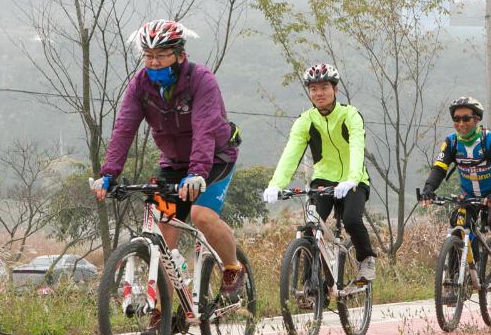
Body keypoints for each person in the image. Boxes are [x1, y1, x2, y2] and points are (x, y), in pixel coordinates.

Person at [93, 20, 245, 300]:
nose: (153, 62)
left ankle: (233, 267)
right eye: (148, 56)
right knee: (163, 236)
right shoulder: (140, 85)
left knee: (201, 215)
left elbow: (204, 128)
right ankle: (162, 313)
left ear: (180, 55)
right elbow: (124, 129)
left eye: (161, 56)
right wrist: (108, 174)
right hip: (174, 163)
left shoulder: (202, 80)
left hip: (214, 158)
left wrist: (198, 172)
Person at [262, 63, 376, 282]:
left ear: (335, 90)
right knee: (311, 228)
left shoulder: (350, 115)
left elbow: (356, 147)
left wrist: (352, 179)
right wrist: (276, 183)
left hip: (354, 180)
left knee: (352, 220)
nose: (318, 93)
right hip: (323, 179)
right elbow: (291, 153)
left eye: (324, 87)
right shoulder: (305, 120)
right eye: (313, 89)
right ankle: (310, 286)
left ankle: (366, 259)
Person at [419, 96, 491, 270]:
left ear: (477, 119)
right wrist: (429, 188)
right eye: (456, 119)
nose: (460, 123)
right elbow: (440, 168)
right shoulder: (451, 142)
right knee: (458, 224)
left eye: (466, 118)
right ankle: (456, 278)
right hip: (468, 195)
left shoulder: (490, 140)